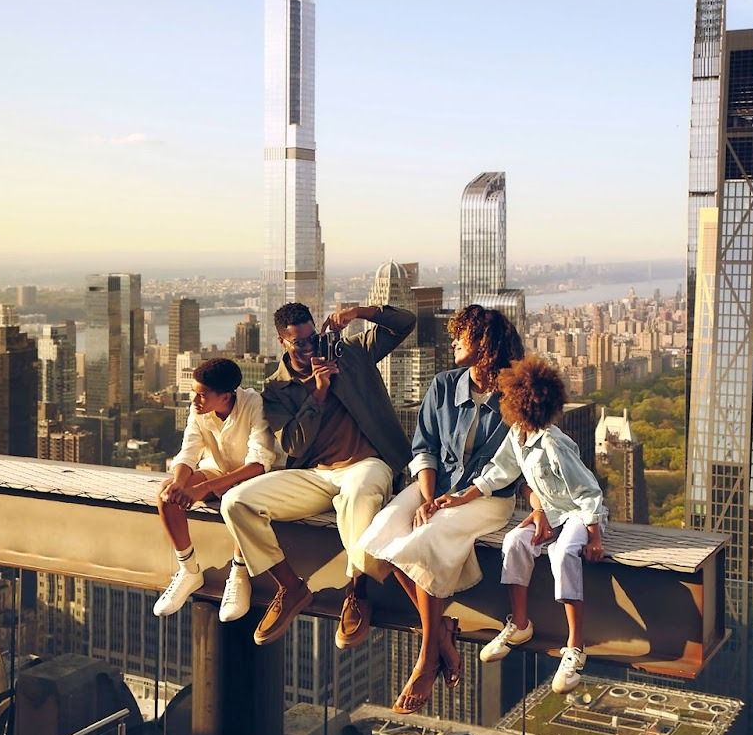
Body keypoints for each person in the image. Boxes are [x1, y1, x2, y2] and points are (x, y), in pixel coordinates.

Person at [355, 305, 523, 713]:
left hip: (485, 498)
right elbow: (424, 446)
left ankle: (428, 657)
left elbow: (513, 464)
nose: (451, 343)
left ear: (481, 344)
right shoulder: (444, 385)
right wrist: (427, 497)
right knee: (380, 536)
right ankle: (442, 632)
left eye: (459, 337)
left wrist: (454, 501)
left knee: (425, 539)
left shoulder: (516, 395)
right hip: (437, 484)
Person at [220, 299, 416, 647]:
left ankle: (356, 592)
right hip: (314, 474)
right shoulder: (276, 389)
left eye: (313, 337)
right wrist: (318, 394)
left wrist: (358, 313)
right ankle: (291, 587)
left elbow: (405, 323)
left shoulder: (349, 353)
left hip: (367, 464)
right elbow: (293, 445)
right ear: (283, 342)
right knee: (235, 502)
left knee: (358, 493)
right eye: (300, 342)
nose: (310, 347)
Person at [434, 355, 607, 695]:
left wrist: (594, 536)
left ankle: (575, 647)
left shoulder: (554, 444)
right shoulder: (517, 435)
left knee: (563, 555)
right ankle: (521, 624)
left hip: (577, 513)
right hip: (551, 512)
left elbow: (589, 492)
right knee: (514, 542)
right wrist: (461, 498)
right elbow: (499, 472)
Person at [151, 357, 279, 621]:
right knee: (167, 494)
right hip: (218, 471)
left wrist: (205, 488)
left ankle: (239, 574)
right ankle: (188, 570)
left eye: (201, 395)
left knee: (240, 500)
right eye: (194, 393)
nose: (195, 400)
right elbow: (188, 452)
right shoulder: (199, 410)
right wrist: (179, 484)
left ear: (225, 396)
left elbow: (259, 463)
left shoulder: (254, 404)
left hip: (253, 477)